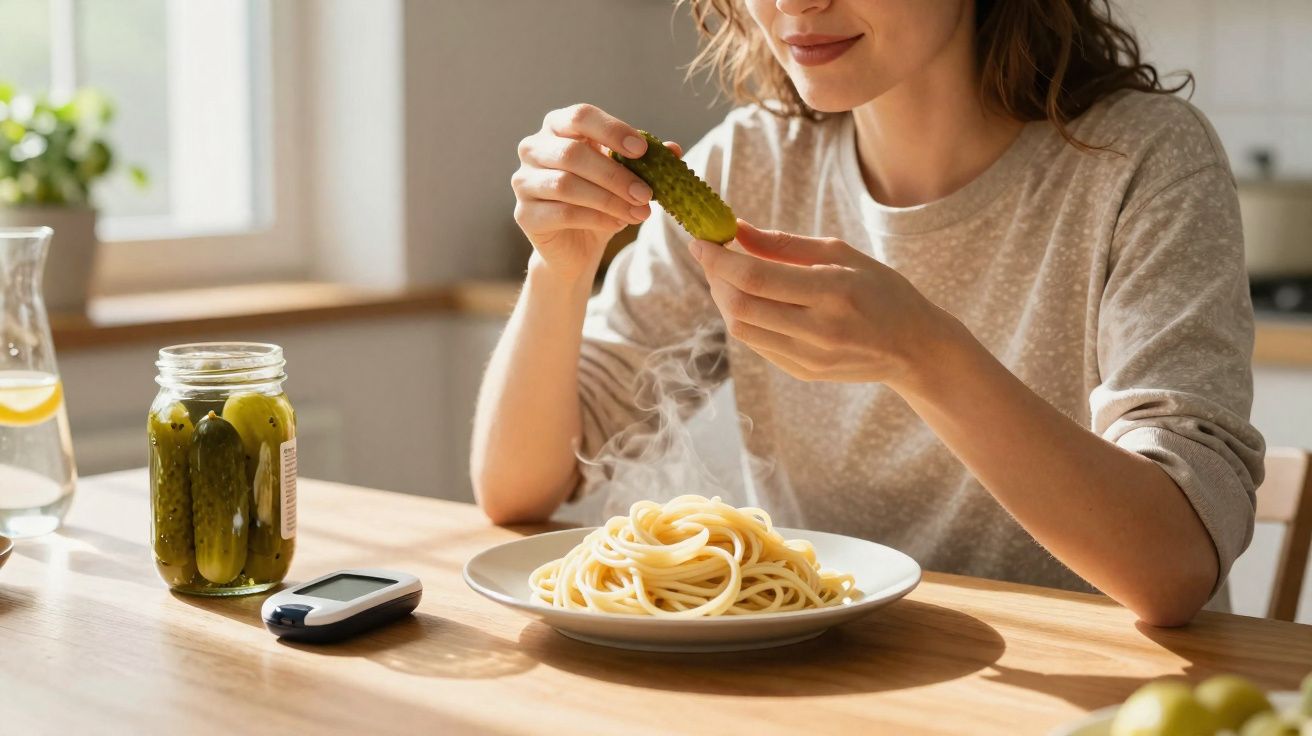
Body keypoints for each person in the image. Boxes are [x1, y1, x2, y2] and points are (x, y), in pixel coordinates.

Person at [471, 0, 1265, 627]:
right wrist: (560, 268)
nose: (794, 3)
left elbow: (1174, 568)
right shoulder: (747, 161)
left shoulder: (1143, 161)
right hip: (823, 681)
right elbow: (518, 488)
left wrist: (924, 355)